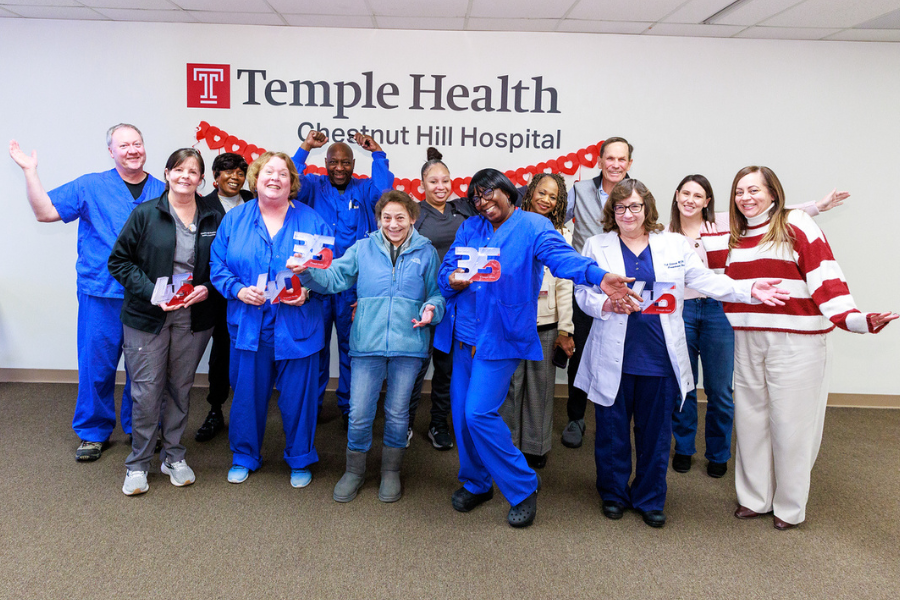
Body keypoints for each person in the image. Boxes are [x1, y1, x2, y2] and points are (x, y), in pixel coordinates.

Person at [575, 179, 787, 528]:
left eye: (635, 207)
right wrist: (608, 304)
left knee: (655, 434)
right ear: (612, 212)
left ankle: (649, 497)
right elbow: (583, 294)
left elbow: (707, 281)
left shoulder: (673, 244)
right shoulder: (596, 245)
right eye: (620, 207)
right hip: (613, 354)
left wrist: (749, 289)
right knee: (612, 433)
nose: (628, 214)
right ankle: (613, 494)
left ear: (648, 209)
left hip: (659, 357)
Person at [435, 168, 639, 529]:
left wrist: (598, 276)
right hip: (464, 333)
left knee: (478, 414)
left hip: (501, 337)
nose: (483, 203)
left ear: (508, 192)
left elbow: (564, 260)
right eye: (476, 198)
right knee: (462, 419)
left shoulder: (533, 227)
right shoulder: (470, 228)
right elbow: (448, 270)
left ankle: (523, 485)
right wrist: (452, 279)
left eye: (488, 194)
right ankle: (477, 482)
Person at [701, 166, 897, 530]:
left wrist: (856, 319)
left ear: (774, 193)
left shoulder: (797, 225)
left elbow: (826, 277)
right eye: (739, 191)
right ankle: (754, 498)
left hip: (797, 342)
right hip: (746, 340)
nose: (746, 197)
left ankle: (789, 507)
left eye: (754, 190)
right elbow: (708, 269)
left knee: (791, 426)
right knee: (751, 422)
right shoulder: (732, 235)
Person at [668, 175, 848, 478]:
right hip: (682, 312)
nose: (691, 200)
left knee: (720, 390)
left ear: (707, 201)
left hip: (719, 311)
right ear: (676, 196)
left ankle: (718, 453)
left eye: (698, 196)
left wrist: (817, 206)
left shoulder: (725, 223)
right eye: (685, 194)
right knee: (682, 386)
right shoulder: (666, 234)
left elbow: (773, 212)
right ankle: (684, 448)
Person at [8, 125, 165, 461]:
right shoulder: (91, 185)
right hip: (101, 292)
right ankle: (93, 432)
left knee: (146, 369)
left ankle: (142, 429)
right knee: (97, 364)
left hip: (147, 294)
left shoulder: (162, 190)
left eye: (137, 143)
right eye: (123, 145)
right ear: (111, 151)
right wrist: (30, 172)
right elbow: (45, 212)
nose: (132, 150)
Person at [292, 190, 445, 503]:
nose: (393, 224)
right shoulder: (362, 248)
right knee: (360, 413)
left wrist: (432, 309)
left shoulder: (427, 252)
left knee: (398, 415)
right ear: (378, 219)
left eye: (400, 217)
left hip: (409, 345)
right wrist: (306, 272)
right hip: (367, 344)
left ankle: (391, 472)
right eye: (386, 217)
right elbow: (334, 278)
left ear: (412, 218)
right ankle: (355, 471)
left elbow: (437, 294)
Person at [210, 152, 332, 488]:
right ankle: (245, 455)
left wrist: (309, 290)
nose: (275, 177)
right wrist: (236, 290)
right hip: (250, 322)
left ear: (293, 182)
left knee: (299, 397)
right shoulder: (235, 220)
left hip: (298, 323)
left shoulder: (312, 222)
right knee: (247, 395)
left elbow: (328, 270)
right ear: (256, 178)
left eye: (283, 173)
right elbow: (217, 266)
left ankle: (300, 457)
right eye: (268, 172)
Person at [108, 148, 220, 495]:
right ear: (168, 173)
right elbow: (119, 262)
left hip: (193, 316)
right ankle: (138, 464)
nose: (186, 176)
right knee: (146, 391)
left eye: (194, 171)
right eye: (179, 170)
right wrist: (153, 294)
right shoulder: (145, 214)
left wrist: (205, 287)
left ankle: (173, 456)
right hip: (148, 315)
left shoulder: (214, 217)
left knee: (180, 388)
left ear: (201, 179)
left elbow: (224, 265)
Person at [292, 131, 395, 431]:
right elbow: (291, 181)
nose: (339, 168)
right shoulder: (313, 185)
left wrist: (377, 153)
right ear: (325, 162)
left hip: (352, 285)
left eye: (345, 163)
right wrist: (305, 148)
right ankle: (311, 406)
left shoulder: (364, 189)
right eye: (333, 162)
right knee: (316, 347)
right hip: (318, 284)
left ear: (353, 164)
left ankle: (351, 407)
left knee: (353, 348)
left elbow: (384, 191)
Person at [562, 136, 634, 449]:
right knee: (580, 352)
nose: (615, 165)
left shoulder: (638, 193)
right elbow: (554, 219)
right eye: (610, 158)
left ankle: (618, 417)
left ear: (629, 163)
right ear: (600, 161)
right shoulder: (580, 190)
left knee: (624, 354)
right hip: (587, 286)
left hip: (624, 286)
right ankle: (575, 417)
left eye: (622, 159)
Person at [499, 173, 574, 470]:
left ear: (558, 204)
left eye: (552, 197)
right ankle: (509, 446)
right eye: (541, 192)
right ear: (530, 193)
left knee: (540, 390)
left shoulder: (562, 235)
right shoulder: (509, 226)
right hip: (512, 323)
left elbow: (566, 284)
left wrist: (566, 328)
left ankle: (536, 447)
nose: (545, 199)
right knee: (510, 387)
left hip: (546, 324)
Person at [407, 147, 474, 451]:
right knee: (416, 366)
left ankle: (438, 424)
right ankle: (404, 423)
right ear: (422, 185)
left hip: (458, 304)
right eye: (433, 182)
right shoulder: (415, 214)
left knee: (446, 368)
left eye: (445, 180)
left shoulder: (464, 209)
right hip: (424, 301)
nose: (441, 187)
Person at [195, 152, 254, 443]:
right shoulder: (202, 205)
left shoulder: (254, 200)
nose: (234, 178)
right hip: (216, 292)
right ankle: (215, 409)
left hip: (249, 292)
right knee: (220, 353)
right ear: (215, 176)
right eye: (227, 172)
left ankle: (249, 409)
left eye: (240, 173)